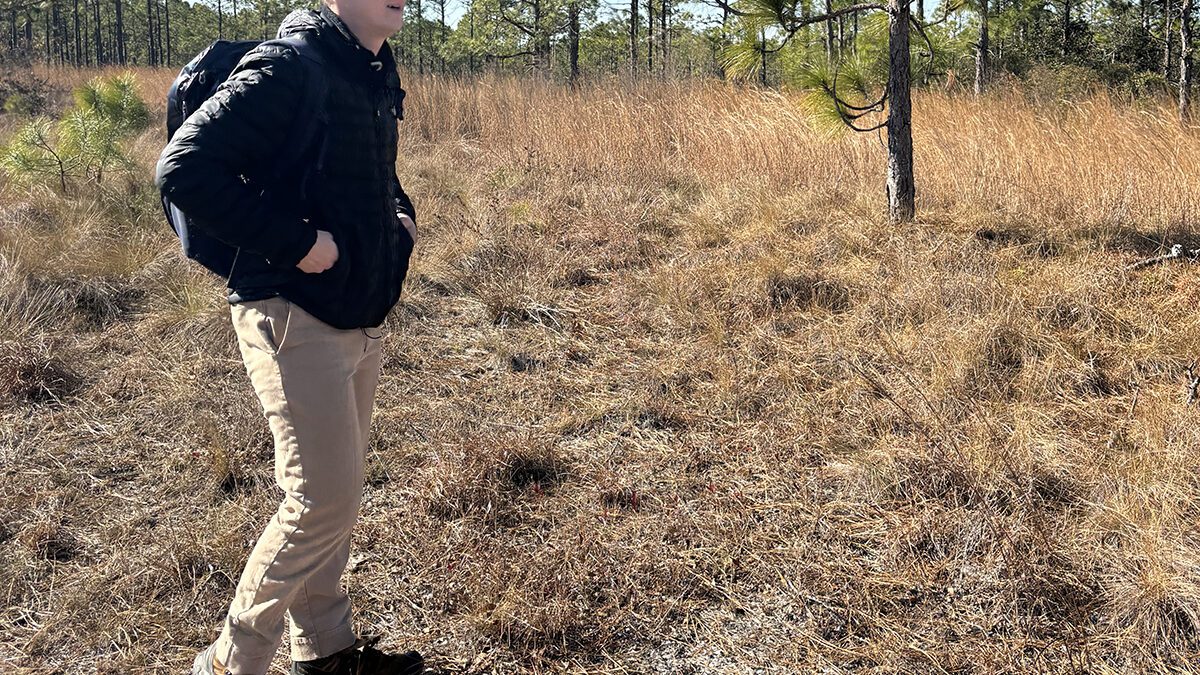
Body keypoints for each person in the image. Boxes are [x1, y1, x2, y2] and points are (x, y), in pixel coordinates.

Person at [154, 0, 420, 671]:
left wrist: (400, 220)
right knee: (320, 498)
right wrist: (299, 243)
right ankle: (229, 662)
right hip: (291, 313)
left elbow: (372, 176)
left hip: (355, 313)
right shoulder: (288, 66)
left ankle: (325, 650)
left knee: (339, 493)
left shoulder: (369, 71)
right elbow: (184, 169)